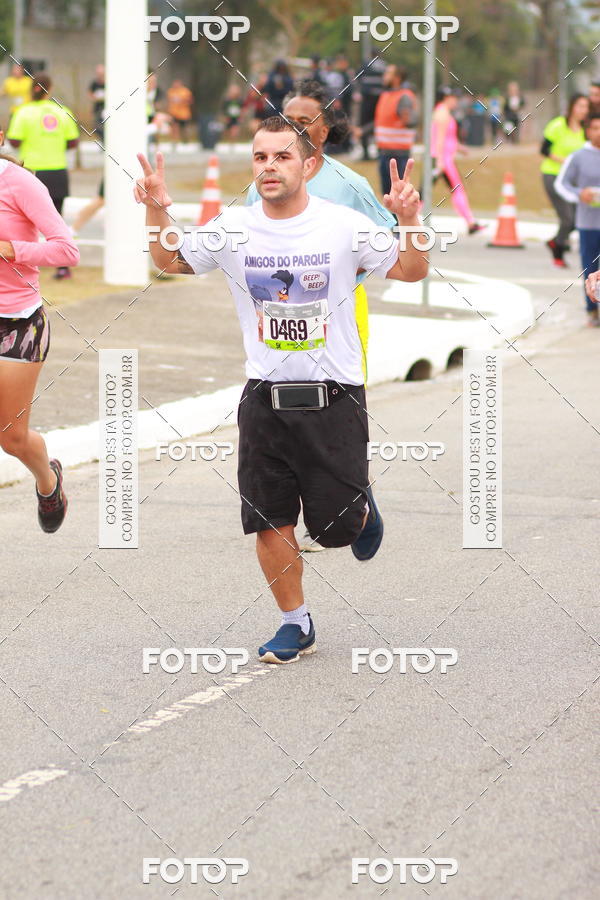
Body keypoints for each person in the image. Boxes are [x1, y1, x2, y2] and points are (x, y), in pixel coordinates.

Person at [135, 116, 427, 664]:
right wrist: (156, 209)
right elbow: (171, 259)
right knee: (269, 518)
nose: (269, 167)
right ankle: (295, 623)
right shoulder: (235, 226)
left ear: (309, 165)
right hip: (264, 395)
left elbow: (411, 271)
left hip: (334, 394)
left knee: (336, 529)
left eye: (282, 157)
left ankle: (359, 505)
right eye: (261, 158)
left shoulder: (342, 226)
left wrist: (409, 220)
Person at [246, 80, 396, 551]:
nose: (295, 125)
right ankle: (295, 499)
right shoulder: (270, 176)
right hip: (275, 311)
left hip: (341, 311)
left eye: (306, 120)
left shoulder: (349, 183)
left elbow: (388, 235)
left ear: (326, 131)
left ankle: (356, 497)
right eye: (288, 116)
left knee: (336, 410)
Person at [0, 132, 79, 531]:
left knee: (11, 439)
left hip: (16, 324)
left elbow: (68, 250)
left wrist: (15, 249)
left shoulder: (19, 183)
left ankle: (48, 482)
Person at [7, 73, 79, 280]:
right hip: (57, 171)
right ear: (51, 89)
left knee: (22, 224)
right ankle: (62, 267)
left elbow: (15, 141)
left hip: (30, 174)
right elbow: (73, 142)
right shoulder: (63, 112)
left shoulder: (23, 112)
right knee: (56, 221)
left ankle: (23, 265)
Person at [555, 113, 600, 326]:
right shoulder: (578, 156)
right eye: (595, 128)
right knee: (590, 269)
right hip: (588, 223)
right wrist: (579, 194)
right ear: (587, 131)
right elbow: (561, 184)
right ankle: (592, 310)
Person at [540, 94, 589, 267]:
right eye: (580, 106)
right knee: (567, 219)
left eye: (586, 107)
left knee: (577, 220)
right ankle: (558, 250)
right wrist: (565, 161)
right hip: (553, 175)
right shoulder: (558, 125)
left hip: (574, 181)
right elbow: (544, 149)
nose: (583, 110)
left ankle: (556, 241)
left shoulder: (587, 130)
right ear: (572, 107)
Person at [431, 88, 483, 234]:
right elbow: (439, 139)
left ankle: (471, 222)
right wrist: (440, 161)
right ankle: (470, 222)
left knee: (427, 192)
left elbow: (447, 138)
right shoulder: (442, 114)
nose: (456, 101)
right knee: (455, 189)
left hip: (441, 158)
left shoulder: (443, 112)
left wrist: (459, 148)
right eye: (453, 98)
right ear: (446, 98)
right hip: (442, 159)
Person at [373, 65, 417, 195]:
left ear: (397, 78)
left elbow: (412, 121)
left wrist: (407, 119)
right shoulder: (386, 95)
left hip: (399, 155)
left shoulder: (404, 96)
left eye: (388, 73)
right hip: (384, 152)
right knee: (387, 195)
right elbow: (382, 121)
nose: (384, 76)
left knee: (398, 194)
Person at [356, 57, 386, 161]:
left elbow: (357, 77)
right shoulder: (384, 65)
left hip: (367, 99)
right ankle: (380, 152)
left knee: (364, 124)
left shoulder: (366, 63)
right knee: (379, 124)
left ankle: (365, 153)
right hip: (380, 99)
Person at [166, 78, 194, 145]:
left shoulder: (185, 91)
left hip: (184, 114)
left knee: (184, 129)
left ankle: (186, 141)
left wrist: (183, 101)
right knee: (175, 128)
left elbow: (190, 101)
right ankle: (174, 142)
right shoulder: (171, 91)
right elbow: (169, 101)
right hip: (174, 113)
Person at [88, 63, 106, 140]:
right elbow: (90, 94)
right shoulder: (94, 83)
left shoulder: (108, 83)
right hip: (97, 109)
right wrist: (96, 98)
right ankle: (103, 141)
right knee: (97, 127)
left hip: (106, 108)